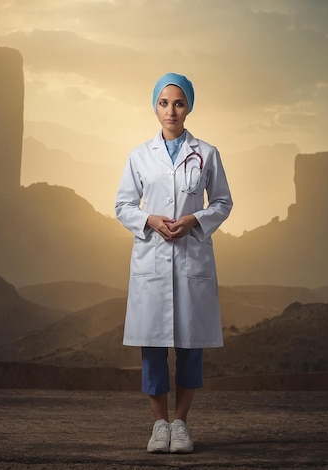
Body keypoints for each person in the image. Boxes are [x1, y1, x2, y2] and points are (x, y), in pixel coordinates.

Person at [115, 72, 233, 454]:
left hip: (189, 258)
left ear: (189, 107)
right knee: (152, 351)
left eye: (179, 103)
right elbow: (123, 206)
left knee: (189, 349)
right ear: (155, 106)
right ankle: (158, 425)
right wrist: (149, 220)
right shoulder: (138, 155)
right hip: (152, 258)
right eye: (164, 103)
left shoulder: (207, 153)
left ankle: (180, 423)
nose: (171, 111)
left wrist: (194, 220)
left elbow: (222, 202)